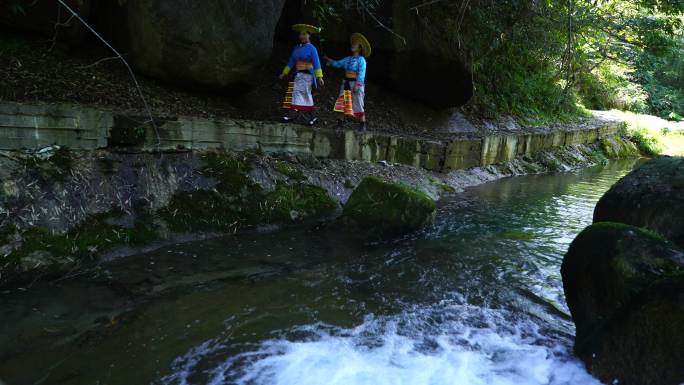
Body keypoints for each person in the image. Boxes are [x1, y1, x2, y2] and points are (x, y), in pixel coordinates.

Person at [324, 32, 371, 132]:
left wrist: (358, 84)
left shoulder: (361, 60)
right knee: (342, 102)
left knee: (358, 102)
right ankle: (340, 124)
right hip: (346, 83)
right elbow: (338, 63)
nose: (353, 45)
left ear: (360, 48)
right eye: (352, 44)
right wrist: (329, 60)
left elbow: (362, 73)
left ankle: (363, 124)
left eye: (355, 44)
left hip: (356, 84)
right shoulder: (348, 59)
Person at [280, 23, 324, 126]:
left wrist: (320, 77)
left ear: (309, 35)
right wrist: (284, 72)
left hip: (307, 75)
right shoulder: (297, 47)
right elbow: (291, 61)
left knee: (300, 92)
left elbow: (317, 63)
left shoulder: (312, 48)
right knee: (301, 94)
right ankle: (313, 117)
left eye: (304, 34)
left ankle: (293, 114)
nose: (302, 36)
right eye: (301, 34)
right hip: (298, 75)